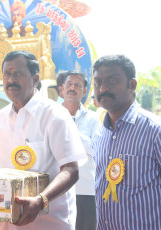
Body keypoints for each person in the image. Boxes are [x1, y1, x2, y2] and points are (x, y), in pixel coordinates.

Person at [0, 51, 86, 229]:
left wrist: (40, 201)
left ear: (35, 78)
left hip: (49, 222)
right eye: (6, 74)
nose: (11, 79)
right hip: (6, 223)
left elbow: (71, 169)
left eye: (18, 74)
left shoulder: (54, 115)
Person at [92, 55, 161, 230]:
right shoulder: (100, 134)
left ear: (132, 85)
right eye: (97, 82)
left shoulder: (158, 132)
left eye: (112, 80)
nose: (102, 88)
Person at [57, 70, 100, 230]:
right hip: (56, 189)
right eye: (69, 84)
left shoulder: (93, 118)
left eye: (77, 85)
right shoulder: (51, 115)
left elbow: (97, 148)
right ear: (61, 89)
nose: (72, 88)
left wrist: (71, 130)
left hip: (86, 189)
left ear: (84, 91)